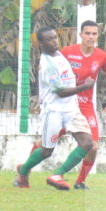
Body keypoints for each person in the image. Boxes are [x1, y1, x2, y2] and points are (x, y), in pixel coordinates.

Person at [12, 27, 96, 190]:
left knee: (87, 143)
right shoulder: (47, 64)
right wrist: (84, 86)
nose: (55, 41)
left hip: (71, 109)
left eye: (55, 38)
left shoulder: (59, 56)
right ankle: (23, 171)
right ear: (41, 43)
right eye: (50, 39)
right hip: (54, 112)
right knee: (46, 151)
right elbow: (61, 92)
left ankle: (58, 174)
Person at [57, 20, 106, 189]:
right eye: (87, 33)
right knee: (46, 143)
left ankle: (80, 181)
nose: (91, 37)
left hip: (85, 107)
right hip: (65, 106)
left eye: (94, 34)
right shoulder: (68, 52)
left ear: (98, 36)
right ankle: (24, 172)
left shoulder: (102, 56)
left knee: (93, 147)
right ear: (81, 35)